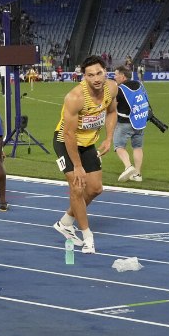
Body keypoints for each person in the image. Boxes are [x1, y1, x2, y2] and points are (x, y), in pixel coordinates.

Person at [52, 55, 117, 255]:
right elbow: (69, 134)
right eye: (91, 75)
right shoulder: (75, 98)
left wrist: (108, 138)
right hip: (66, 143)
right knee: (78, 187)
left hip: (89, 143)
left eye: (99, 73)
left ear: (105, 71)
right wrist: (78, 166)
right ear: (84, 77)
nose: (96, 78)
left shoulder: (112, 88)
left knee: (96, 189)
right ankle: (88, 237)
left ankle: (65, 222)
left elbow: (112, 112)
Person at [113, 66, 147, 183]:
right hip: (140, 121)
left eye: (116, 74)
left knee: (118, 146)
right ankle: (137, 174)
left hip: (125, 123)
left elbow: (112, 106)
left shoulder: (119, 89)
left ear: (122, 76)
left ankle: (128, 167)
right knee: (137, 147)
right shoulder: (139, 84)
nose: (114, 76)